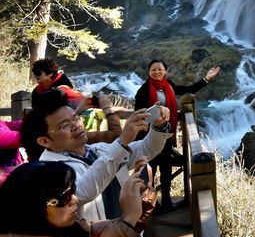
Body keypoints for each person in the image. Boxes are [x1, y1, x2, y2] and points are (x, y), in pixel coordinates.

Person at [20, 88, 172, 222]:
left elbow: (146, 148)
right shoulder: (46, 170)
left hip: (125, 234)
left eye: (75, 118)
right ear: (45, 141)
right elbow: (82, 192)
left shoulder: (97, 150)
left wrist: (159, 126)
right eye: (65, 125)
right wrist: (121, 143)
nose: (76, 126)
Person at [134, 59, 220, 212]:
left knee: (166, 168)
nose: (157, 72)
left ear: (165, 71)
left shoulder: (169, 86)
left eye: (160, 69)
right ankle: (151, 205)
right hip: (149, 137)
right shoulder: (144, 90)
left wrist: (207, 78)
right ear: (149, 72)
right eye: (153, 69)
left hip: (166, 135)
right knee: (150, 170)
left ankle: (166, 200)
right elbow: (138, 113)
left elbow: (189, 89)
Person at [0, 160, 146, 237]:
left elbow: (98, 232)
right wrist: (128, 219)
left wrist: (139, 211)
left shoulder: (68, 229)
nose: (75, 199)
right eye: (64, 197)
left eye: (73, 189)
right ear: (32, 209)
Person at [0, 118, 23, 186]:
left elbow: (8, 125)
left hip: (10, 166)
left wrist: (29, 123)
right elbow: (3, 138)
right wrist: (32, 135)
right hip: (3, 174)